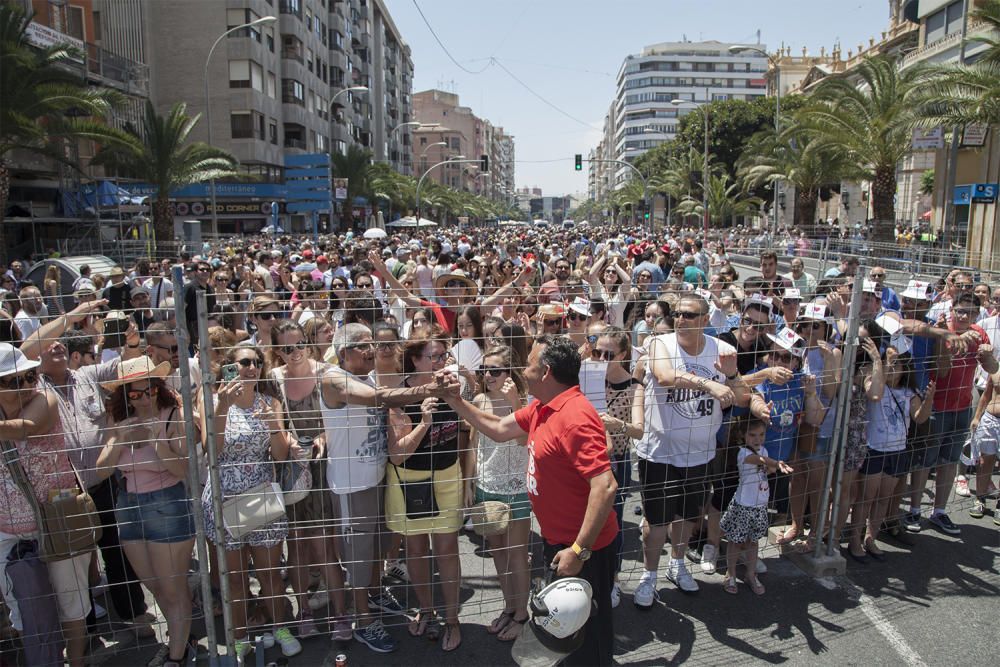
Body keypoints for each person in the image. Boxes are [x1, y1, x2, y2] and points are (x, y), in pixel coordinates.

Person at [444, 335, 619, 666]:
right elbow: (496, 428)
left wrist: (579, 550)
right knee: (566, 630)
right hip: (563, 544)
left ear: (547, 371)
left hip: (585, 548)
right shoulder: (543, 407)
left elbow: (605, 485)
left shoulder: (575, 416)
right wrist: (455, 399)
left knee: (588, 635)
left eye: (529, 363)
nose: (523, 369)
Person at [323, 323, 458, 652]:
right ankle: (363, 620)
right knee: (357, 556)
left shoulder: (367, 375)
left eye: (373, 343)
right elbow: (376, 398)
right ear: (344, 352)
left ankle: (374, 595)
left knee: (375, 550)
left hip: (381, 478)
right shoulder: (333, 378)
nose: (372, 350)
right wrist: (428, 390)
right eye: (363, 345)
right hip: (352, 485)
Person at [634, 293, 766, 599]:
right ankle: (648, 575)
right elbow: (665, 377)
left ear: (705, 320)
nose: (681, 319)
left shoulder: (723, 350)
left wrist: (732, 375)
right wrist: (709, 383)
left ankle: (676, 564)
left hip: (700, 453)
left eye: (690, 315)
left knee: (687, 518)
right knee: (656, 522)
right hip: (659, 452)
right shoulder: (660, 344)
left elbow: (742, 396)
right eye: (678, 313)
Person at [200, 345, 301, 660]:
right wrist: (221, 407)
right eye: (244, 362)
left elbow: (280, 456)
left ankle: (279, 628)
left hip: (259, 496)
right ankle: (240, 636)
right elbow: (211, 452)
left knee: (270, 572)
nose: (252, 367)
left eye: (257, 362)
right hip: (224, 497)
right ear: (230, 366)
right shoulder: (212, 401)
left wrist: (273, 422)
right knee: (236, 578)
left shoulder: (270, 401)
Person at [95, 356, 196, 666]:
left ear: (158, 388)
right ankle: (181, 638)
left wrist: (156, 439)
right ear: (124, 395)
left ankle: (176, 657)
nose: (143, 398)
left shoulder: (172, 415)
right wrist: (118, 439)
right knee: (154, 585)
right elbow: (99, 471)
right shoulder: (117, 417)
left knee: (172, 586)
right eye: (135, 394)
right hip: (128, 505)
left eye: (149, 390)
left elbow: (182, 469)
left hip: (167, 501)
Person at [0, 343, 91, 667]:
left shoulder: (44, 398)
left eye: (28, 376)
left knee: (72, 600)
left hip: (59, 518)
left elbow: (27, 428)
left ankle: (76, 662)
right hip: (9, 531)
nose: (26, 385)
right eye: (12, 381)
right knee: (23, 606)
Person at [386, 327, 468, 652]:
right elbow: (397, 453)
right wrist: (423, 422)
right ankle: (426, 609)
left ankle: (452, 619)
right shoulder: (399, 397)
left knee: (447, 549)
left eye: (444, 355)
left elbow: (464, 433)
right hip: (409, 482)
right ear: (415, 361)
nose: (441, 362)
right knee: (416, 549)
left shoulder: (453, 388)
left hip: (447, 476)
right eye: (434, 356)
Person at [467, 345, 531, 641]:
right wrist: (469, 482)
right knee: (497, 552)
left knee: (517, 554)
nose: (488, 375)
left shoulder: (525, 401)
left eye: (495, 370)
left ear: (510, 373)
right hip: (486, 484)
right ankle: (509, 606)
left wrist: (515, 402)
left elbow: (524, 443)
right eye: (484, 370)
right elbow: (472, 443)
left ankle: (522, 613)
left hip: (516, 484)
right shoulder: (478, 399)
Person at [593, 327, 643, 608]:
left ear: (623, 355)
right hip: (586, 460)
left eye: (608, 354)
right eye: (596, 351)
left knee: (613, 523)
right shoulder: (588, 376)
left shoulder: (635, 387)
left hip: (617, 461)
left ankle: (611, 579)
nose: (600, 357)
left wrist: (616, 425)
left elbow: (638, 430)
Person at [720, 418, 791, 595]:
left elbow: (768, 469)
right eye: (752, 435)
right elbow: (757, 460)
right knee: (735, 542)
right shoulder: (743, 453)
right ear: (742, 436)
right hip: (744, 504)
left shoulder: (764, 451)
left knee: (753, 541)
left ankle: (751, 574)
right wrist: (774, 463)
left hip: (760, 505)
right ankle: (731, 573)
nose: (757, 439)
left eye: (761, 434)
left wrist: (771, 466)